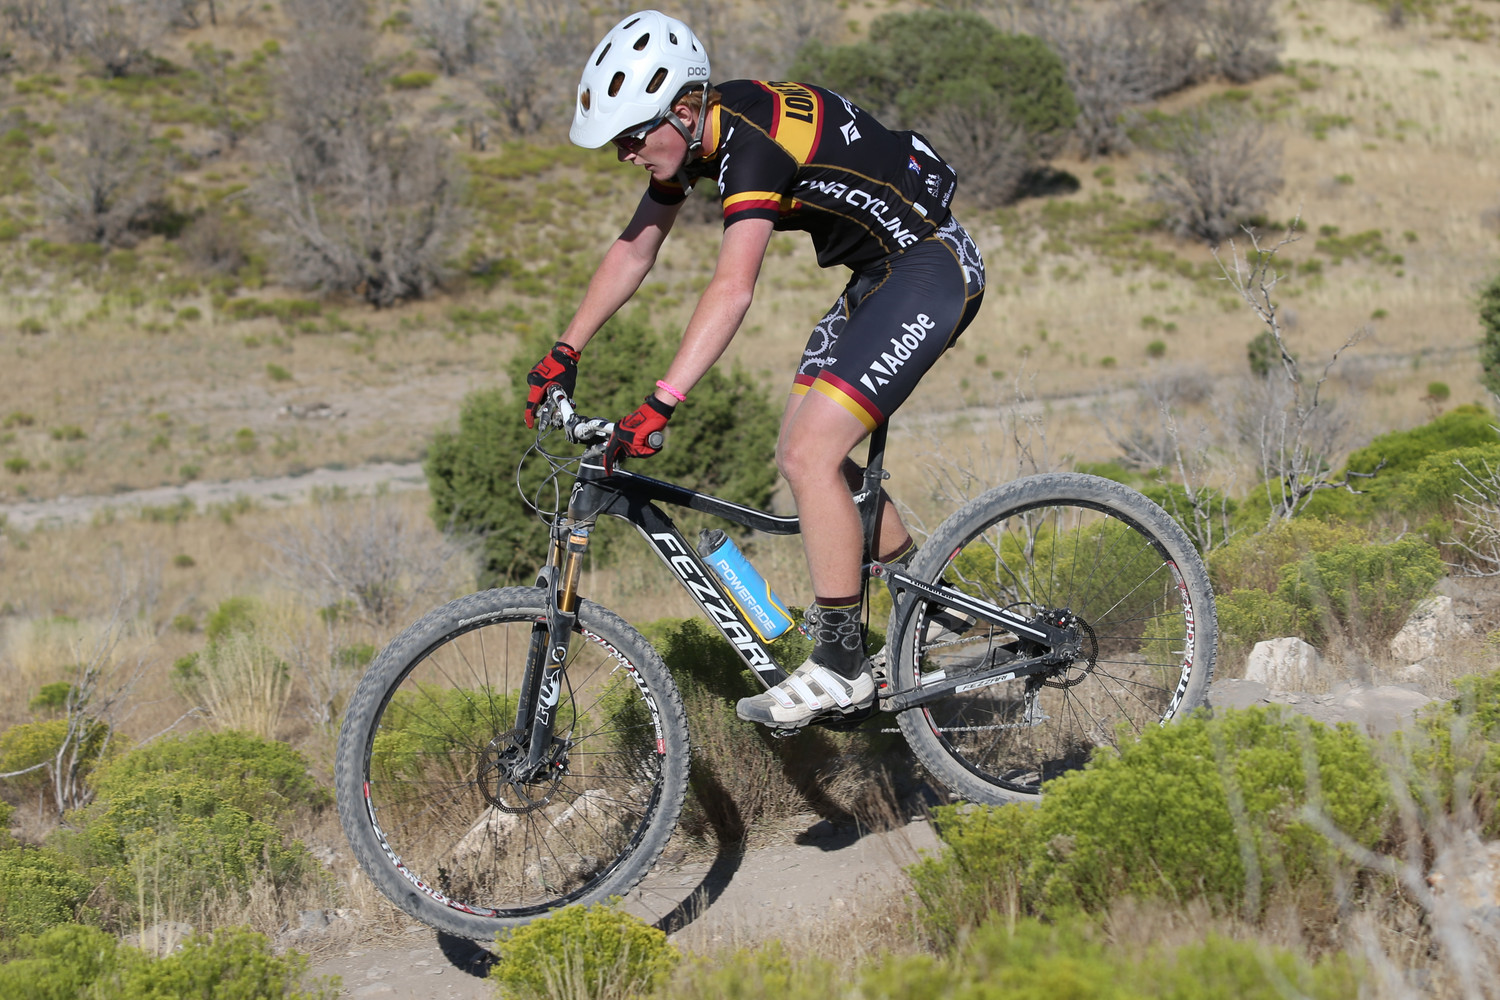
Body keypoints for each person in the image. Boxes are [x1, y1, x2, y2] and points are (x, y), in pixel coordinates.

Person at [523, 9, 986, 729]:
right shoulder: (703, 132)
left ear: (681, 112)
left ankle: (840, 666)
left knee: (809, 455)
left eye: (631, 137)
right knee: (808, 456)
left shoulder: (752, 147)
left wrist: (663, 401)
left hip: (931, 266)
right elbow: (636, 247)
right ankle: (944, 612)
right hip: (879, 278)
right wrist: (565, 349)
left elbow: (733, 287)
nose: (624, 155)